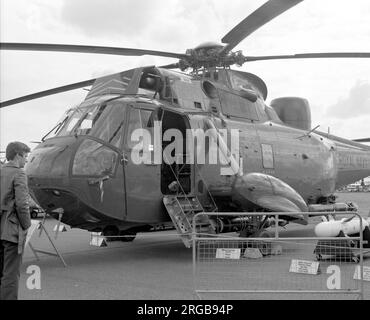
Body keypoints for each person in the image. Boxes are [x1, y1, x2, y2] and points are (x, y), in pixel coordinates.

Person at [0, 141, 31, 300]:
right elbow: (22, 204)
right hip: (11, 231)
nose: (26, 160)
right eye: (25, 156)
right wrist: (27, 225)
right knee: (10, 275)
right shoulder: (19, 173)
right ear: (18, 155)